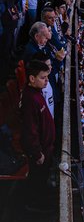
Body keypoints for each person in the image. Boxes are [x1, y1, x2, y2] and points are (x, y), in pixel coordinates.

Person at [19, 60, 55, 210]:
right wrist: (37, 153)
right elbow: (30, 130)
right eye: (43, 77)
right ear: (32, 78)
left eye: (47, 77)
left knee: (42, 177)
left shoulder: (37, 93)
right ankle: (34, 206)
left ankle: (40, 199)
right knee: (37, 179)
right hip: (40, 152)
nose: (46, 81)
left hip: (46, 147)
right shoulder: (30, 99)